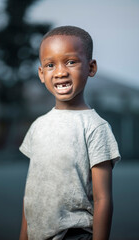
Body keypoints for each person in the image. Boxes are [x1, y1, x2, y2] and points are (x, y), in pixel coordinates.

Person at [19, 26, 120, 240]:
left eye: (71, 62)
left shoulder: (95, 127)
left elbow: (103, 200)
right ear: (41, 74)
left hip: (75, 235)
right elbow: (32, 194)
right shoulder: (38, 125)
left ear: (91, 67)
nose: (60, 72)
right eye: (50, 65)